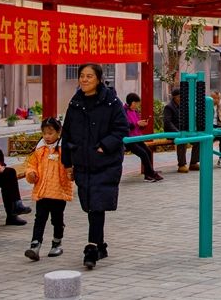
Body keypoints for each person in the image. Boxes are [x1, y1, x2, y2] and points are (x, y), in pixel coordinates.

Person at [60, 63, 129, 270]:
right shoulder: (75, 103)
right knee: (90, 205)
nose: (84, 79)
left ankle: (91, 249)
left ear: (99, 79)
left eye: (89, 76)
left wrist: (103, 146)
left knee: (97, 204)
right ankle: (101, 245)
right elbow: (67, 134)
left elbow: (121, 129)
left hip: (105, 162)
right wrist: (67, 163)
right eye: (82, 76)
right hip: (83, 162)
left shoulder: (111, 102)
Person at [23, 117, 73, 261]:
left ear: (58, 132)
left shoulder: (64, 149)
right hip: (43, 190)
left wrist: (71, 173)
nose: (47, 136)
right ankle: (35, 244)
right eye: (44, 133)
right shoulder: (40, 149)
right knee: (40, 218)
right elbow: (32, 165)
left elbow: (69, 166)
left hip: (58, 191)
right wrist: (31, 174)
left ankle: (57, 242)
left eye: (50, 133)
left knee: (57, 219)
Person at [124, 93, 163, 182]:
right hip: (128, 139)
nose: (137, 106)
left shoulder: (135, 111)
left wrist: (143, 125)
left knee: (148, 151)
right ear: (132, 102)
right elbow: (125, 126)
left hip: (137, 138)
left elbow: (137, 125)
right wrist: (137, 124)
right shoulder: (123, 111)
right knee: (143, 153)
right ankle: (151, 173)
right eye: (137, 103)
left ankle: (148, 174)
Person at [162, 87, 200, 173]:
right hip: (173, 132)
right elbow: (167, 123)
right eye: (180, 96)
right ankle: (181, 165)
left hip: (184, 131)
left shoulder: (184, 106)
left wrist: (192, 130)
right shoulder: (168, 107)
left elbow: (188, 119)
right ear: (175, 97)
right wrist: (178, 132)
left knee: (198, 140)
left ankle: (193, 163)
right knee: (182, 140)